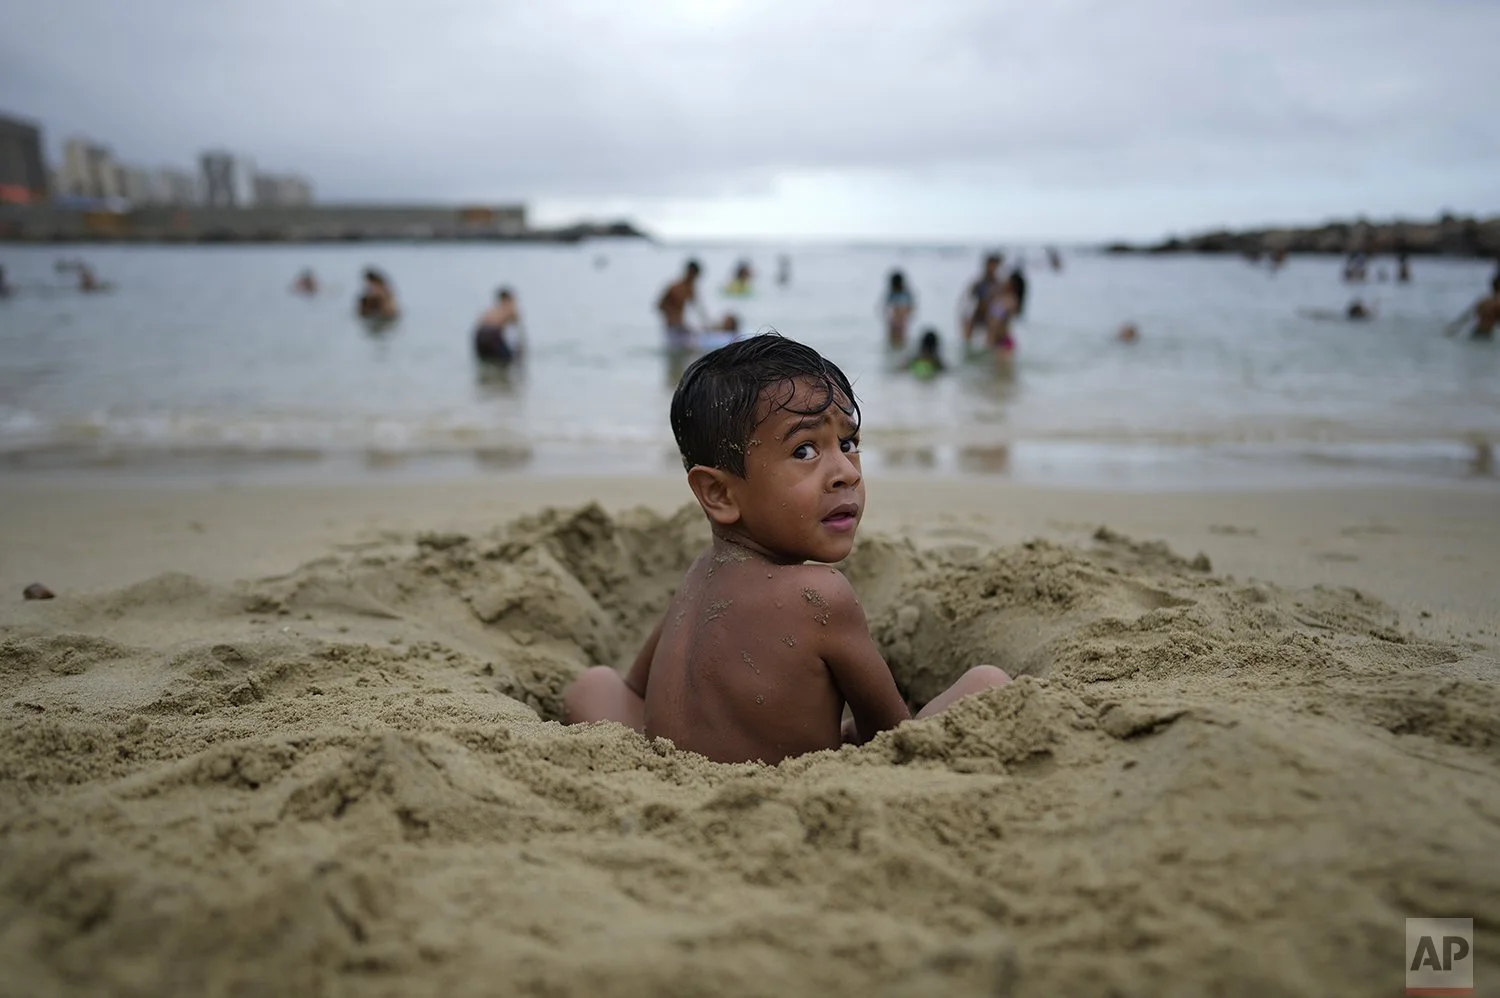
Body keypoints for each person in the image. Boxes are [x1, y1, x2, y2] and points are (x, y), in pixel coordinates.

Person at [562, 334, 1011, 764]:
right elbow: (890, 736)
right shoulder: (822, 597)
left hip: (673, 771)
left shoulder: (698, 574)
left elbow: (637, 689)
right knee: (989, 682)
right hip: (775, 790)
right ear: (719, 494)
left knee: (595, 685)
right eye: (804, 451)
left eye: (848, 443)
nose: (846, 473)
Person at [657, 260, 707, 349]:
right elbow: (659, 305)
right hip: (672, 326)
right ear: (690, 273)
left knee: (692, 344)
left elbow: (698, 308)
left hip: (681, 325)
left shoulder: (690, 288)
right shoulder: (674, 287)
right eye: (694, 277)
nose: (695, 280)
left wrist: (708, 324)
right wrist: (670, 316)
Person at [961, 253, 1005, 347]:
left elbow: (1002, 304)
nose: (992, 268)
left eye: (994, 266)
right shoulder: (978, 283)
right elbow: (967, 300)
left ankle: (990, 347)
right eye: (990, 265)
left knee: (993, 324)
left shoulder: (999, 284)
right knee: (967, 323)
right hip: (978, 313)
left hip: (992, 316)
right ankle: (967, 347)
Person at [473, 287, 525, 364]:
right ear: (508, 298)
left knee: (486, 361)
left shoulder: (491, 310)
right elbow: (518, 332)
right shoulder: (510, 308)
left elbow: (478, 323)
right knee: (507, 360)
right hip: (493, 335)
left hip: (480, 335)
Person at [883, 270, 915, 349]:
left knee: (901, 338)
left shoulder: (906, 293)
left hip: (901, 318)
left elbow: (911, 307)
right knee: (893, 340)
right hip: (894, 318)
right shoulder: (891, 293)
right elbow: (886, 307)